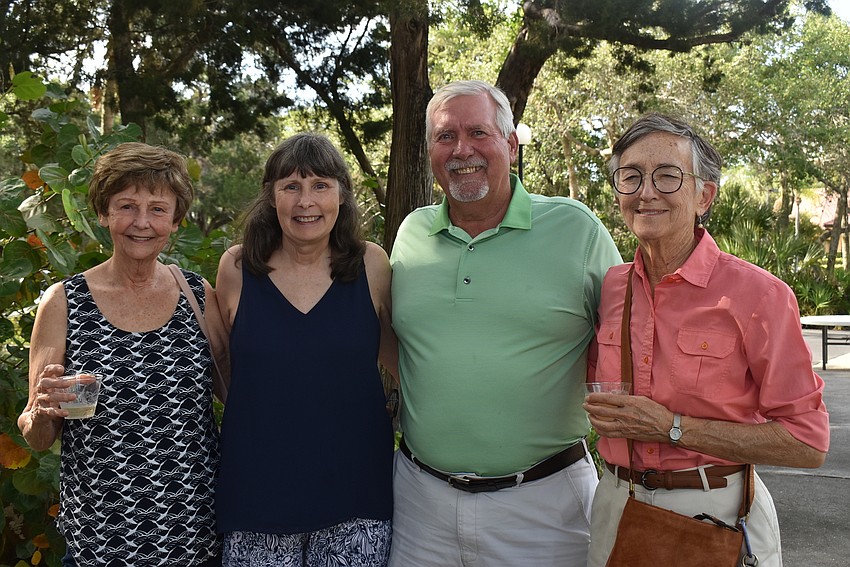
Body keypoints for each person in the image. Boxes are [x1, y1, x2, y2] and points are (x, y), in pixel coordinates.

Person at [389, 80, 622, 566]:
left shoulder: (576, 229)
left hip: (545, 506)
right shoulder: (411, 234)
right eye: (445, 137)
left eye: (478, 132)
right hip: (419, 505)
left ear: (511, 144)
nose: (461, 150)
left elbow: (631, 342)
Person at [584, 112, 830, 567]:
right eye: (631, 177)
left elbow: (807, 443)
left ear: (704, 195)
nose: (646, 192)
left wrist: (672, 427)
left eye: (667, 176)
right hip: (616, 506)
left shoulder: (760, 295)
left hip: (714, 514)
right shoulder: (612, 287)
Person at [18, 142, 226, 566]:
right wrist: (43, 409)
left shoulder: (198, 296)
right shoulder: (64, 302)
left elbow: (241, 395)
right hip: (100, 540)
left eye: (158, 209)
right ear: (103, 213)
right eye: (127, 206)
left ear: (175, 220)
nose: (142, 223)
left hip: (194, 534)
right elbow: (39, 437)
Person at [212, 132, 397, 566]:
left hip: (356, 497)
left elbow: (403, 362)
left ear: (342, 195)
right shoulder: (237, 268)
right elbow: (224, 370)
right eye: (291, 187)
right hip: (257, 497)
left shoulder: (372, 264)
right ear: (271, 197)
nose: (305, 201)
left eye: (320, 186)